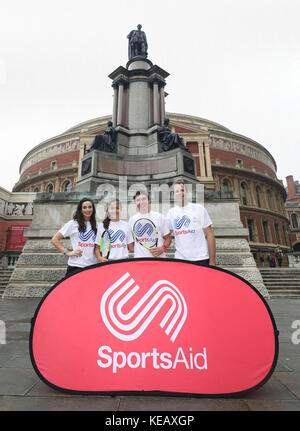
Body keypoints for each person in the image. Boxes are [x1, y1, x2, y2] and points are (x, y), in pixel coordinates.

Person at [51, 197, 105, 276]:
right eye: (84, 207)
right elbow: (54, 240)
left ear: (93, 209)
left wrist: (100, 257)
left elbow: (97, 247)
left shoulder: (98, 226)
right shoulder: (73, 224)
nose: (87, 210)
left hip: (92, 266)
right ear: (80, 210)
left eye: (90, 207)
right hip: (75, 266)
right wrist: (68, 252)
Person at [167, 181, 216, 265]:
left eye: (182, 190)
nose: (180, 193)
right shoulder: (171, 213)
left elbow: (209, 234)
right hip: (181, 260)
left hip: (201, 258)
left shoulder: (199, 209)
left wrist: (212, 261)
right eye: (177, 191)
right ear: (173, 194)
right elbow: (165, 235)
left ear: (187, 192)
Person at [128, 191, 171, 258]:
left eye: (144, 199)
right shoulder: (132, 220)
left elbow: (168, 239)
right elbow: (130, 246)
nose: (141, 202)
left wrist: (162, 248)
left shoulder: (159, 217)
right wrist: (140, 252)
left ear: (149, 200)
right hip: (139, 261)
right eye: (138, 200)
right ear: (135, 203)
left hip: (159, 260)